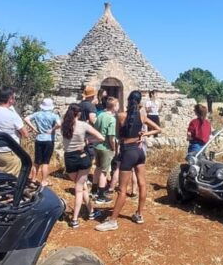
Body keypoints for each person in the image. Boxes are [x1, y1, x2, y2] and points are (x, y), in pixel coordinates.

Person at [96, 90, 161, 231]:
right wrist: (145, 134)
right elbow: (158, 129)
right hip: (139, 152)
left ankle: (113, 221)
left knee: (122, 189)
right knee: (142, 184)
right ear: (139, 102)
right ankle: (139, 214)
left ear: (128, 100)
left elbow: (118, 136)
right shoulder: (142, 115)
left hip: (128, 152)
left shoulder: (120, 116)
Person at [61, 104, 105, 228]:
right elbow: (101, 137)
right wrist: (88, 141)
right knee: (79, 188)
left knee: (83, 186)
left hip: (69, 159)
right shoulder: (83, 125)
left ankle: (91, 212)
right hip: (82, 157)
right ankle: (75, 219)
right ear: (79, 114)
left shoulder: (63, 125)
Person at [0, 87, 29, 177]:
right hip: (9, 152)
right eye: (14, 97)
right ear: (10, 99)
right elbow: (25, 134)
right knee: (12, 180)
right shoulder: (12, 115)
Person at [25, 98, 61, 187]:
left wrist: (34, 128)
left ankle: (33, 179)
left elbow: (26, 119)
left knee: (36, 161)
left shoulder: (37, 114)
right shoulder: (54, 115)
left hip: (39, 138)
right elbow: (59, 124)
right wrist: (52, 129)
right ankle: (43, 181)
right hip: (49, 140)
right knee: (46, 162)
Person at [93, 97, 118, 203]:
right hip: (105, 148)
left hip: (97, 146)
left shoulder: (100, 115)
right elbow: (111, 137)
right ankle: (101, 196)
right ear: (114, 107)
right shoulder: (112, 119)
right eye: (117, 105)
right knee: (104, 172)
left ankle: (94, 190)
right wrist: (114, 148)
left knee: (97, 168)